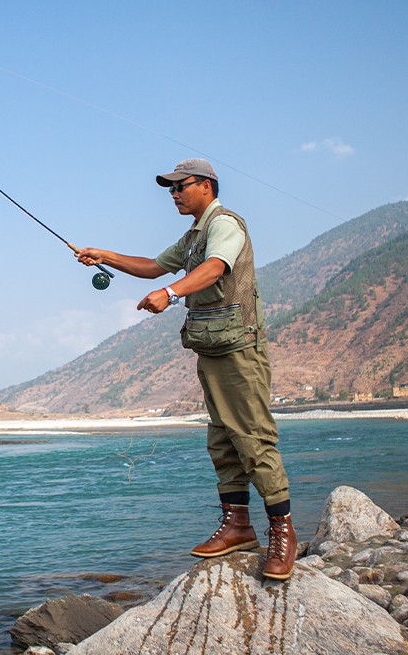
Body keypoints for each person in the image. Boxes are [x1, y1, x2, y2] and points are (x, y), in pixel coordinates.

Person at [76, 158, 295, 580]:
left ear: (207, 186)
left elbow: (216, 267)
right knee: (223, 438)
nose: (174, 194)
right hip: (212, 349)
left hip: (239, 349)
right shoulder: (193, 235)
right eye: (170, 189)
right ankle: (238, 526)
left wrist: (171, 293)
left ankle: (283, 533)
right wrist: (102, 254)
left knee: (254, 438)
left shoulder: (225, 225)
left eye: (181, 186)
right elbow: (152, 266)